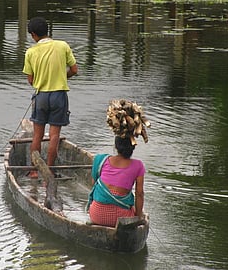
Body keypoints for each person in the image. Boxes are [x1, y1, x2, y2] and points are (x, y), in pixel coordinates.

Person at [23, 17, 78, 178]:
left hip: (41, 97)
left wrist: (42, 80)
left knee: (37, 135)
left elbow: (31, 80)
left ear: (33, 35)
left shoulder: (31, 52)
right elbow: (74, 70)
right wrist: (61, 77)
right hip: (59, 96)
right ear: (48, 31)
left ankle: (34, 171)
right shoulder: (62, 46)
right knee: (54, 135)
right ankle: (50, 170)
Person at [86, 136, 145, 227]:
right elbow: (139, 193)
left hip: (96, 214)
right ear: (133, 147)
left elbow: (94, 185)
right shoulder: (138, 165)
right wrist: (139, 217)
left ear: (116, 146)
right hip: (122, 219)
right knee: (132, 208)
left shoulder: (100, 159)